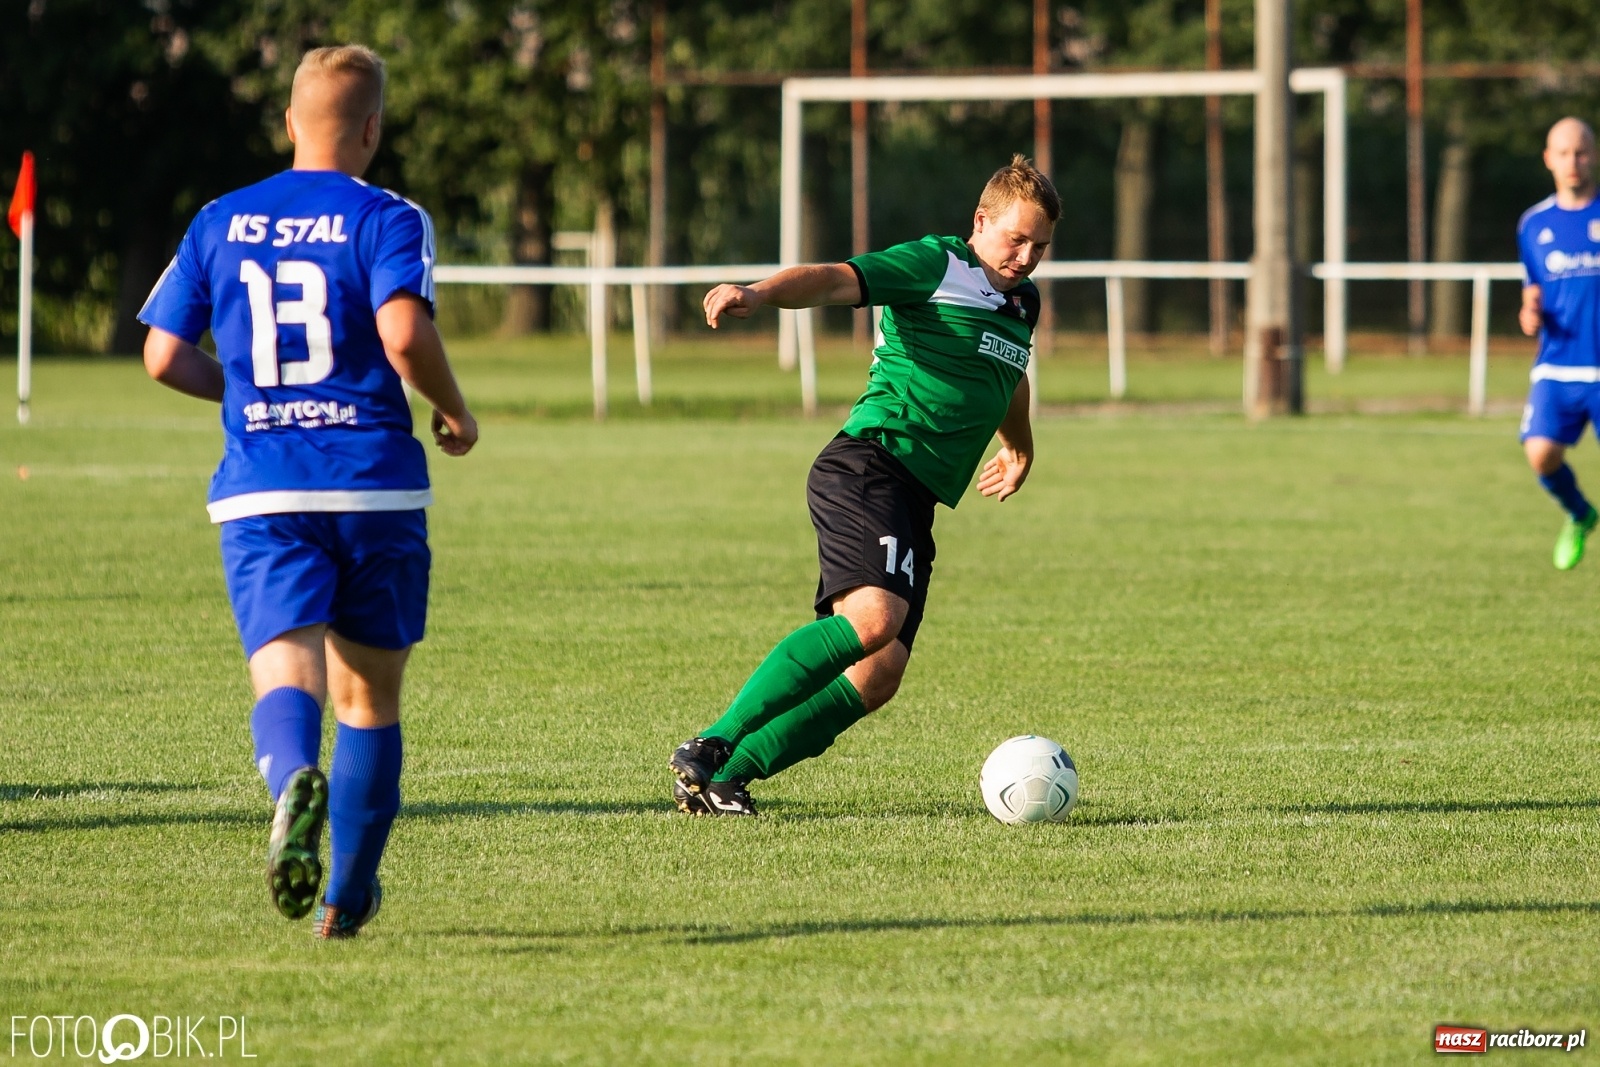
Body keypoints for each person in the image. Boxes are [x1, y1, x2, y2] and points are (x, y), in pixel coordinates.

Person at [139, 45, 477, 937]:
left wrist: (249, 391)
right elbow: (403, 335)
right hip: (372, 484)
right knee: (368, 699)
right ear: (372, 130)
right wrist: (455, 409)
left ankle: (290, 772)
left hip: (263, 490)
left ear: (289, 122)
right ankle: (346, 899)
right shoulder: (390, 216)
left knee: (286, 668)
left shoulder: (220, 217)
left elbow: (162, 354)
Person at [668, 154, 1056, 815]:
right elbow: (835, 278)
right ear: (980, 221)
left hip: (916, 497)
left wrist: (1017, 442)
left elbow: (1009, 373)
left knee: (878, 675)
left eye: (1040, 245)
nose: (1025, 256)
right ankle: (712, 742)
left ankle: (728, 778)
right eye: (1015, 238)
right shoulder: (937, 264)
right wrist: (760, 293)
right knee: (873, 619)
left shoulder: (1023, 302)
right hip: (870, 465)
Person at [1518, 116, 1600, 570]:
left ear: (1595, 155)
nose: (1574, 161)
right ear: (1549, 159)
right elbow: (1532, 288)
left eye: (1582, 151)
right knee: (1540, 453)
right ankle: (1580, 513)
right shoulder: (1534, 224)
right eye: (1564, 153)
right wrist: (1529, 312)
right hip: (1558, 364)